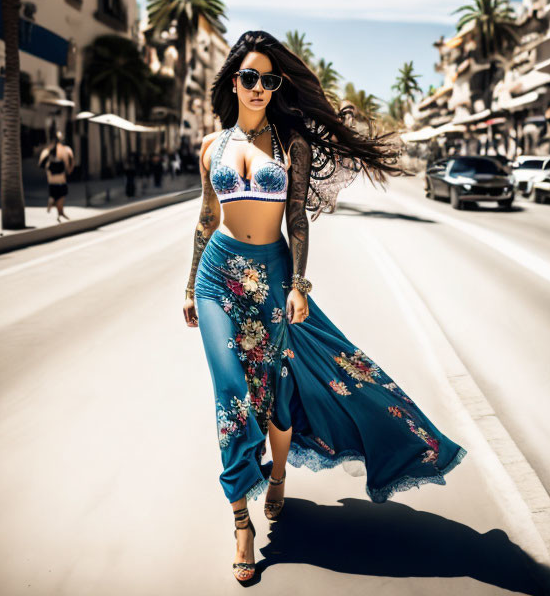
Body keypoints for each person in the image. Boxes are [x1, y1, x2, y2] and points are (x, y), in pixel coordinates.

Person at [181, 31, 468, 583]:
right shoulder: (210, 148)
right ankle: (241, 520)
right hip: (219, 277)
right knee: (233, 395)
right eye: (249, 78)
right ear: (234, 83)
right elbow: (205, 218)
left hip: (269, 278)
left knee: (273, 399)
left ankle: (280, 474)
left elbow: (296, 220)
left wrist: (298, 285)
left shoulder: (293, 146)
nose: (259, 87)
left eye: (269, 79)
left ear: (278, 84)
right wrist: (191, 285)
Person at [38, 130, 74, 221]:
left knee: (54, 193)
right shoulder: (65, 149)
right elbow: (68, 163)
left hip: (51, 178)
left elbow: (41, 163)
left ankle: (53, 201)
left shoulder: (46, 150)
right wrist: (69, 171)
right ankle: (60, 211)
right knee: (62, 195)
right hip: (61, 178)